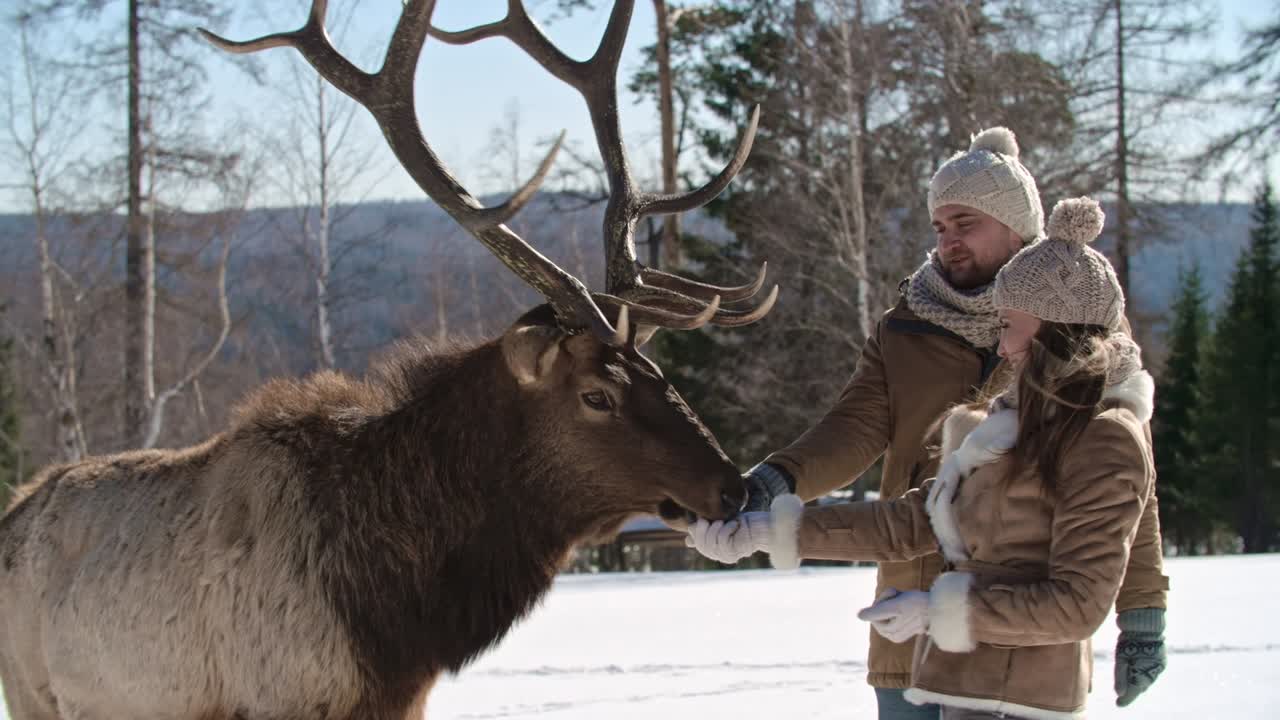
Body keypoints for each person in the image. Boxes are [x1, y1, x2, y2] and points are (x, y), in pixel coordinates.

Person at [730, 128, 1167, 717]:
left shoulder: (1082, 330)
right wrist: (773, 486)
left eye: (967, 225)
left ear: (1015, 226)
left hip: (1024, 628)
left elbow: (1128, 489)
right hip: (909, 600)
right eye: (940, 228)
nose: (948, 243)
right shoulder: (906, 327)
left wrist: (1142, 612)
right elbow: (853, 427)